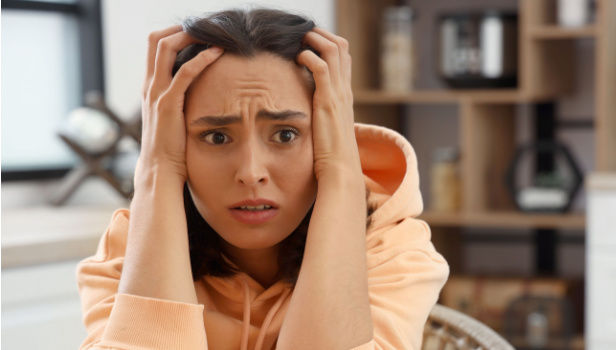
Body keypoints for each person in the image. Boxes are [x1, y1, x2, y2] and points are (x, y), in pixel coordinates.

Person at [76, 7, 449, 350]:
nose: (251, 173)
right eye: (217, 137)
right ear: (175, 144)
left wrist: (341, 174)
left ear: (327, 136)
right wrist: (157, 171)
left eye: (286, 134)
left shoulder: (391, 248)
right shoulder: (133, 247)